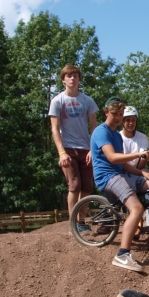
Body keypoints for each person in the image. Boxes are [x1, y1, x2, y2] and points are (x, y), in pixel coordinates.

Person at [91, 97, 149, 272]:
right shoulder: (101, 132)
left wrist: (143, 173)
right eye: (115, 114)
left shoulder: (117, 135)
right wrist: (139, 155)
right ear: (106, 112)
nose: (118, 118)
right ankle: (122, 254)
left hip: (120, 173)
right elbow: (112, 158)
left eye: (120, 114)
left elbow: (123, 164)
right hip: (107, 176)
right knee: (137, 209)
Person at [49, 64, 98, 224]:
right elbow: (55, 129)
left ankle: (82, 222)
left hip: (86, 148)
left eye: (75, 76)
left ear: (79, 79)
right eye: (69, 76)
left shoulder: (87, 100)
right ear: (63, 79)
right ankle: (73, 223)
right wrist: (61, 152)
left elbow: (94, 127)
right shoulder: (57, 101)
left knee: (86, 188)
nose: (72, 78)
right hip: (68, 149)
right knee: (74, 186)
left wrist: (93, 149)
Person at [120, 106, 149, 246]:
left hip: (139, 171)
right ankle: (135, 222)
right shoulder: (117, 137)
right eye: (127, 120)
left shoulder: (142, 137)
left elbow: (143, 158)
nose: (130, 123)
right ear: (122, 121)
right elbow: (121, 163)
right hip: (124, 173)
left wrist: (137, 170)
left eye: (133, 120)